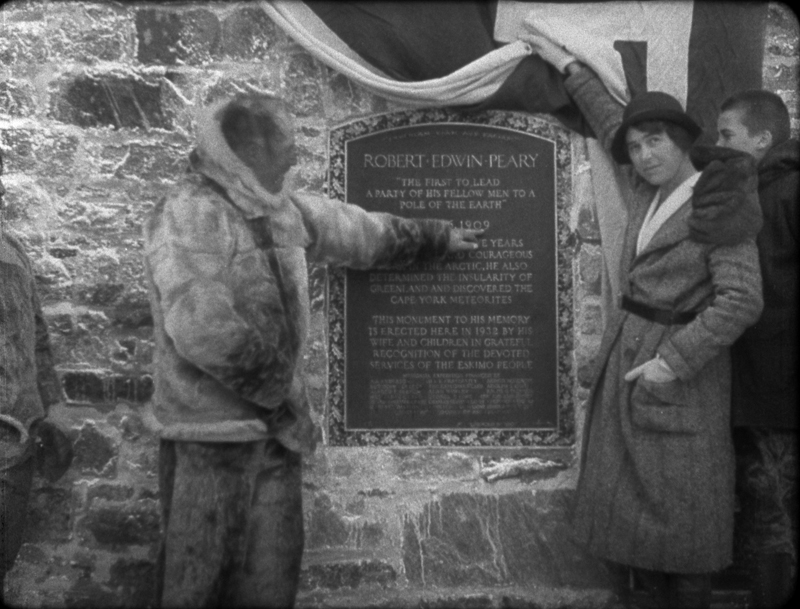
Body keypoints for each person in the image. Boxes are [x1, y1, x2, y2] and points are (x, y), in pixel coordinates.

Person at [142, 92, 482, 608]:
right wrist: (280, 398)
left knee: (270, 586)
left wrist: (436, 237)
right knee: (200, 587)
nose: (295, 157)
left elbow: (359, 232)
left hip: (276, 439)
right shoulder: (189, 211)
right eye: (284, 144)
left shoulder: (282, 210)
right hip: (212, 441)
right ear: (246, 148)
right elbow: (201, 327)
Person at [523, 34, 764, 609]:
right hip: (626, 359)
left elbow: (742, 299)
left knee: (683, 528)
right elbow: (610, 122)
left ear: (681, 142)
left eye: (655, 141)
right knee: (635, 533)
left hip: (676, 373)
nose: (644, 154)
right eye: (637, 146)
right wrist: (574, 70)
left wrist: (672, 362)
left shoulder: (717, 198)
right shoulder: (641, 185)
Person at [717, 90, 798, 608]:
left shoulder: (790, 192)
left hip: (779, 386)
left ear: (762, 139)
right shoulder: (747, 190)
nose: (719, 144)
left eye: (728, 135)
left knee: (776, 512)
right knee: (760, 505)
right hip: (751, 380)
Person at [1, 150, 72, 602]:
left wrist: (53, 409)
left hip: (19, 436)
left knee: (4, 556)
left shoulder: (12, 248)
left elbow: (37, 336)